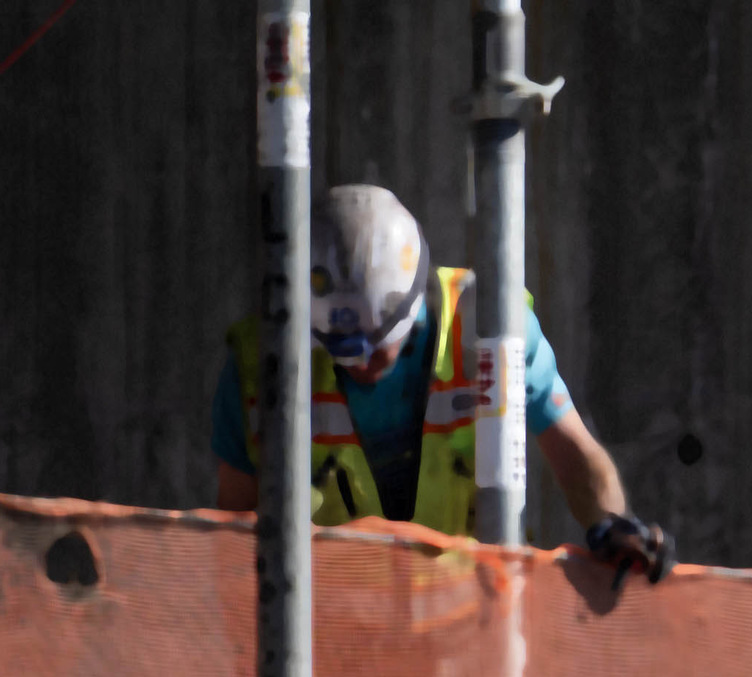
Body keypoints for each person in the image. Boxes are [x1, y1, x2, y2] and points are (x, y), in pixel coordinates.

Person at [213, 183, 671, 586]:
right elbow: (235, 533)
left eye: (374, 345)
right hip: (335, 640)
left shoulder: (491, 335)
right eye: (338, 348)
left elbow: (575, 456)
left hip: (468, 626)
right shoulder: (262, 367)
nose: (359, 363)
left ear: (412, 309)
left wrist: (611, 527)